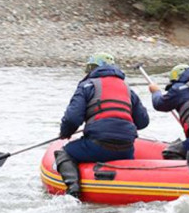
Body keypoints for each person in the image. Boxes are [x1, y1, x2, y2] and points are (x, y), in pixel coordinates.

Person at [55, 53, 149, 198]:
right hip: (126, 149)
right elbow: (143, 122)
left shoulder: (87, 86)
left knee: (64, 153)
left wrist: (65, 133)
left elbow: (72, 119)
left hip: (98, 145)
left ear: (92, 69)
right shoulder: (128, 90)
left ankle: (73, 191)